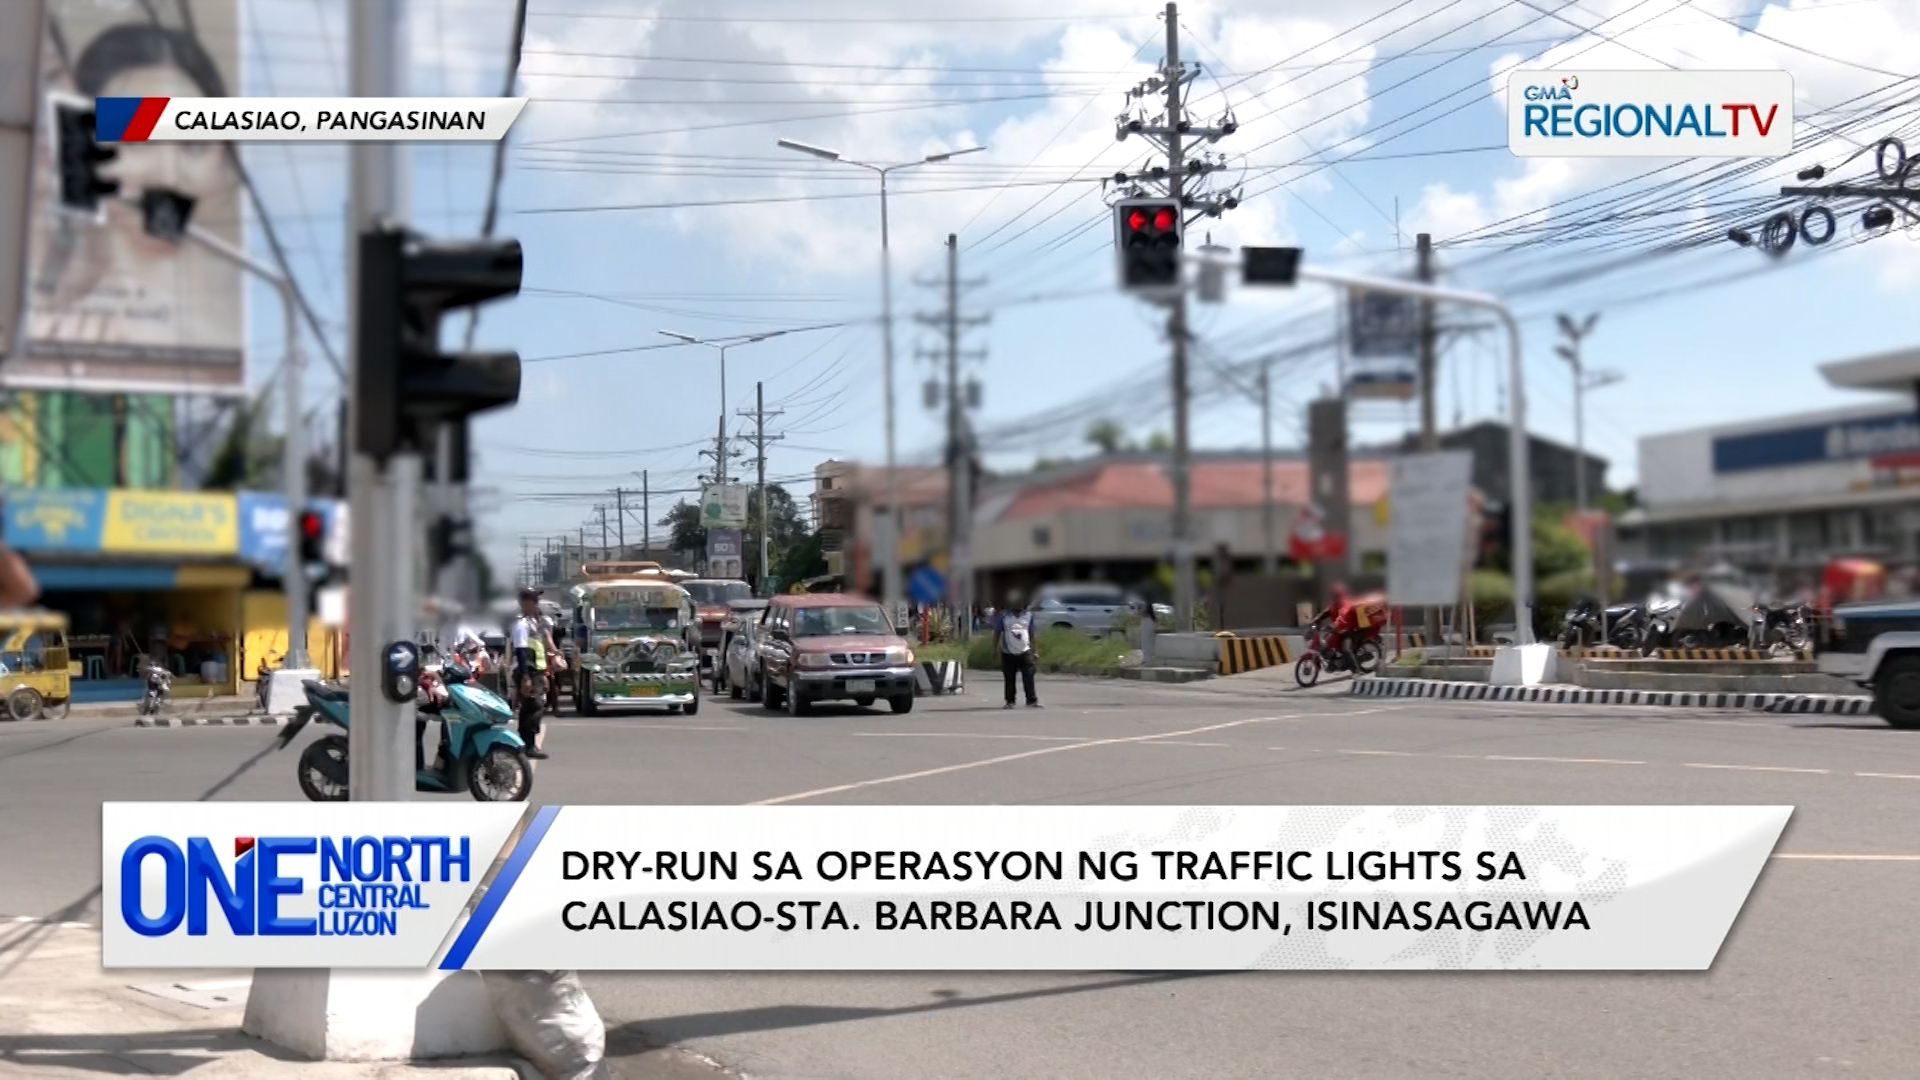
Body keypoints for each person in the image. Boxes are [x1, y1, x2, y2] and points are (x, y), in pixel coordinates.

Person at [510, 588, 551, 759]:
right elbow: (521, 651)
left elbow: (540, 649)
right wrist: (525, 677)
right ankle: (527, 745)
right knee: (533, 707)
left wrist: (544, 674)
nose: (536, 604)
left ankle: (528, 744)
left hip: (536, 671)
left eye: (536, 601)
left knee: (533, 707)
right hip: (527, 671)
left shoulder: (534, 623)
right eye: (534, 601)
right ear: (525, 603)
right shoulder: (521, 624)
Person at [994, 592, 1041, 709]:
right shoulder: (1004, 616)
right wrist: (994, 650)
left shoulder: (1029, 616)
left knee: (1029, 677)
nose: (1018, 604)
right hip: (1008, 652)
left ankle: (1031, 701)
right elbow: (997, 633)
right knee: (1009, 678)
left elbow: (1032, 634)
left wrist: (1035, 651)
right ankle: (1010, 701)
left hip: (1025, 651)